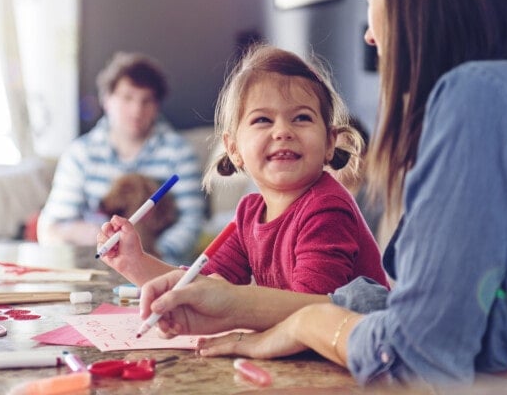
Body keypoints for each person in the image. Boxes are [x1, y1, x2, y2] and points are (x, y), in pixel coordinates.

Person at [137, 0, 507, 387]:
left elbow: (418, 350)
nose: (370, 32)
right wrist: (243, 305)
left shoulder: (479, 96)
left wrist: (313, 322)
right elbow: (458, 311)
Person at [96, 45, 388, 295]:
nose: (282, 131)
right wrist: (135, 262)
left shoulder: (328, 208)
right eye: (263, 120)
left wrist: (242, 321)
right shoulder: (249, 212)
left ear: (329, 142)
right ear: (234, 150)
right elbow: (203, 288)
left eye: (301, 117)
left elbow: (313, 309)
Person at [37, 51, 205, 265]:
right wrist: (93, 236)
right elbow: (53, 226)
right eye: (127, 98)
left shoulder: (179, 152)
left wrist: (150, 258)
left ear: (157, 106)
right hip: (95, 263)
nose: (137, 110)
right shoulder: (81, 154)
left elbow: (192, 222)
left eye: (147, 101)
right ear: (107, 100)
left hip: (160, 265)